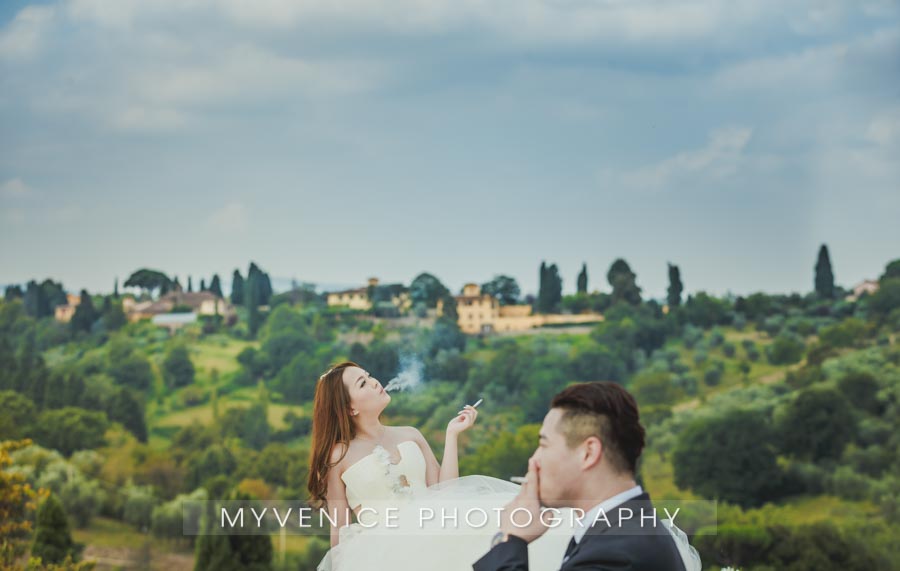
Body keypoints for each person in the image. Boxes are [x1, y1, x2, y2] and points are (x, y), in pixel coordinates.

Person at [306, 361, 574, 571]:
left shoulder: (410, 433)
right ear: (349, 408)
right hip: (381, 554)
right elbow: (338, 527)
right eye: (363, 383)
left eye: (369, 375)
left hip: (436, 532)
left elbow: (445, 489)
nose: (375, 382)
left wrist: (452, 435)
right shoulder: (337, 457)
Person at [473, 381, 701, 571]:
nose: (534, 460)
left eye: (544, 444)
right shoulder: (624, 530)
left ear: (588, 453)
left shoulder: (615, 554)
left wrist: (511, 540)